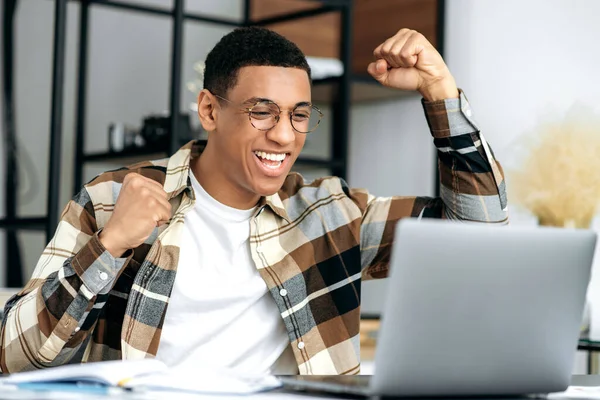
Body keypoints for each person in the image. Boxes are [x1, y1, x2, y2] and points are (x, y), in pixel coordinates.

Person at [0, 26, 507, 375]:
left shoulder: (331, 215)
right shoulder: (114, 198)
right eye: (262, 112)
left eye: (300, 115)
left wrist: (440, 92)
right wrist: (109, 246)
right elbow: (13, 355)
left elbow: (479, 236)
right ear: (209, 110)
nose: (285, 136)